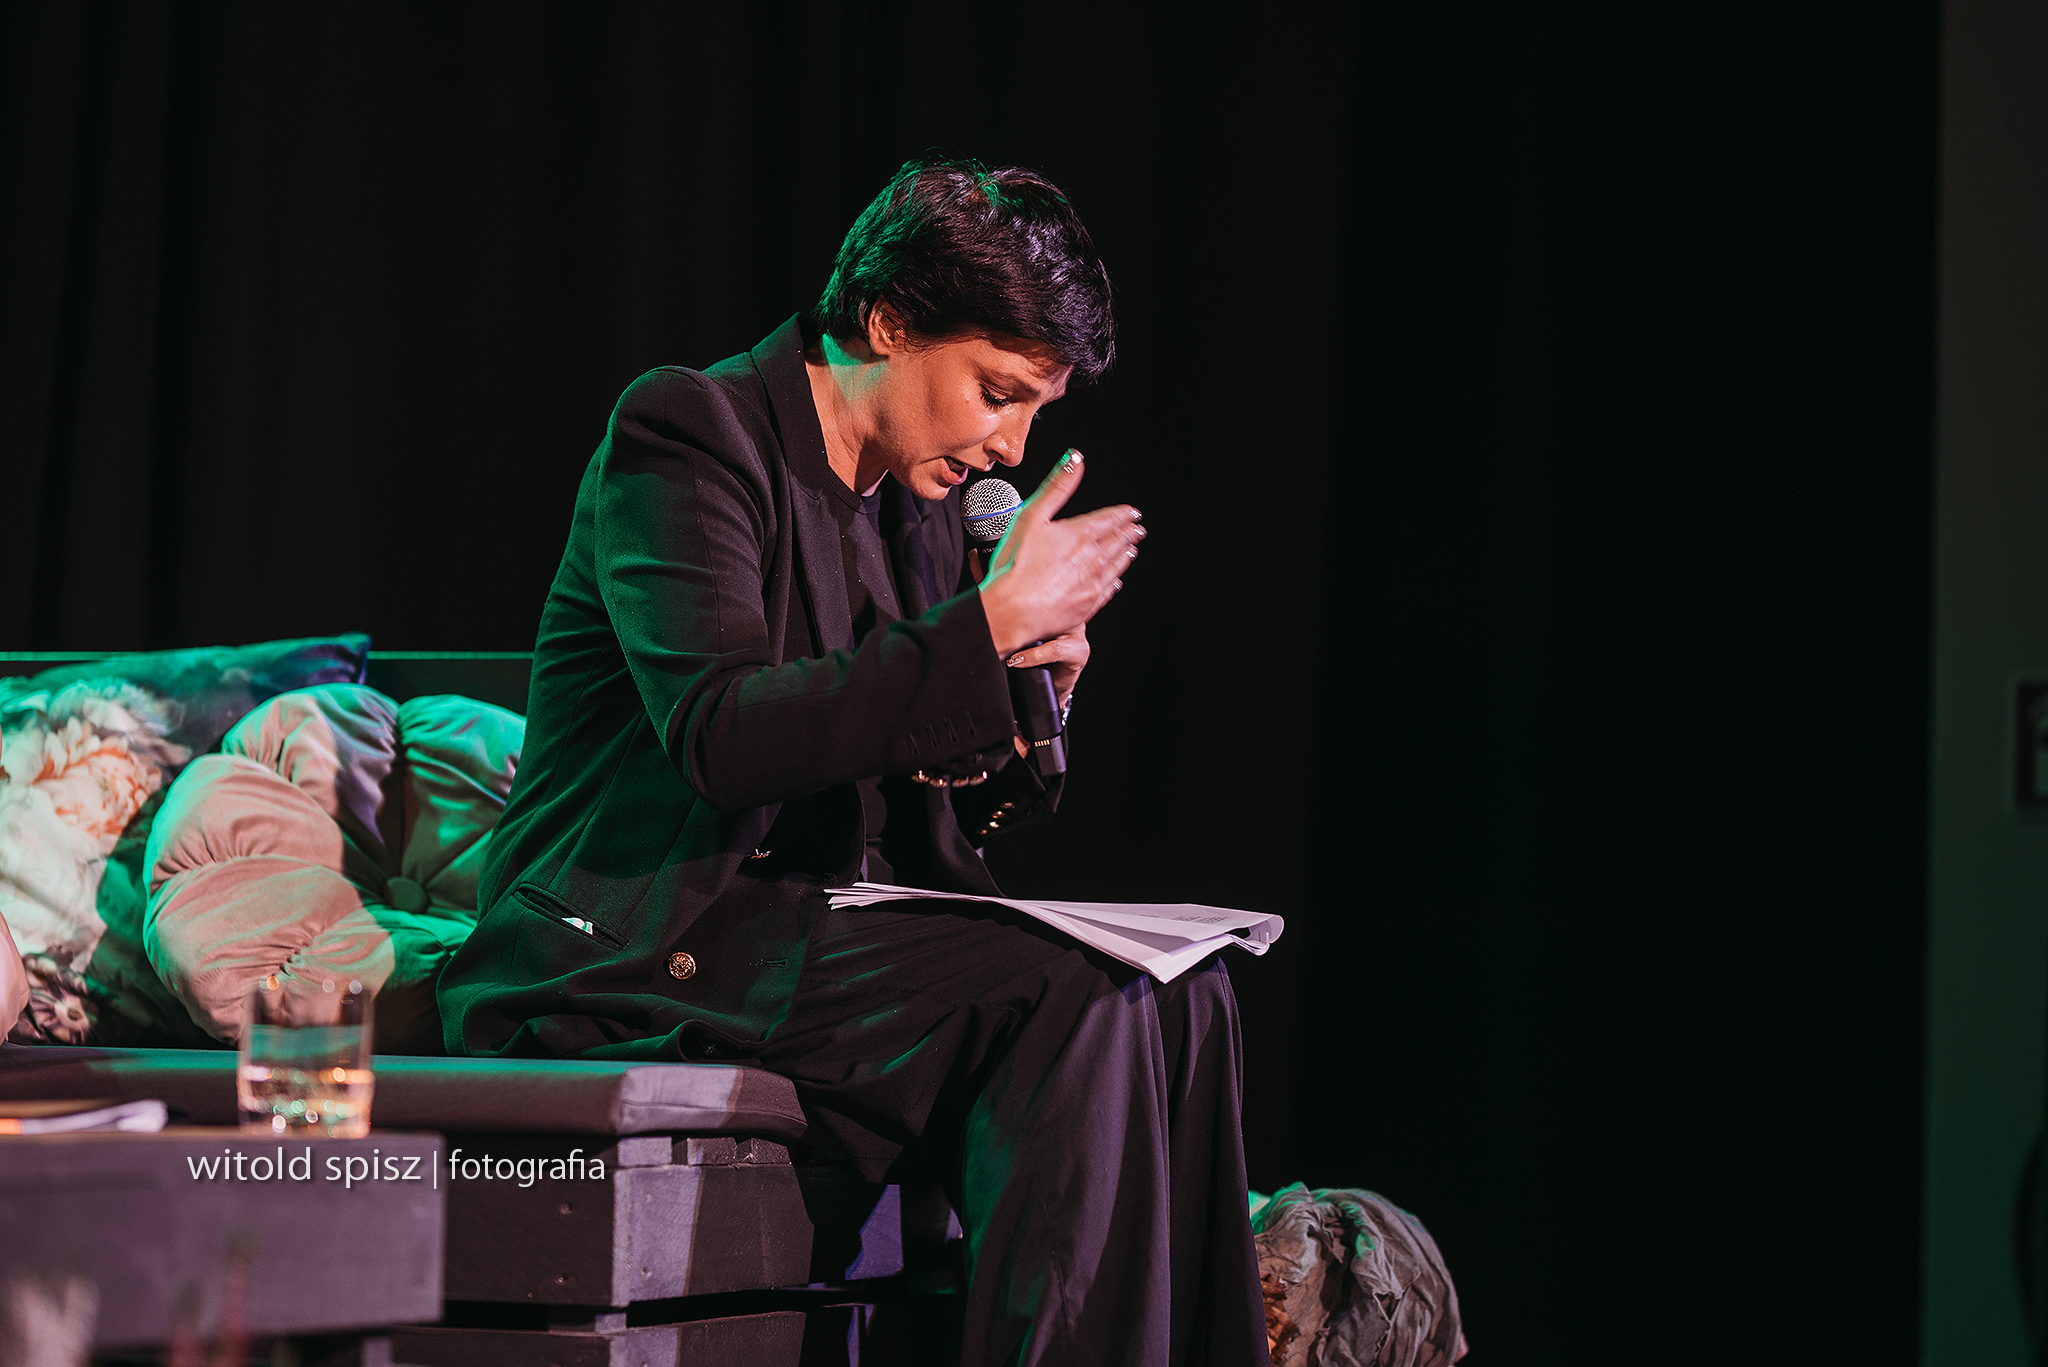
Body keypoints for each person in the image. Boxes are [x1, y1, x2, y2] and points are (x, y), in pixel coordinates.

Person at [437, 157, 1269, 1366]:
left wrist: (1031, 690)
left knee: (1187, 992)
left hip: (821, 939)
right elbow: (723, 731)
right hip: (643, 942)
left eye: (1031, 410)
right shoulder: (691, 432)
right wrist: (977, 636)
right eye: (995, 392)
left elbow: (924, 779)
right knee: (1073, 993)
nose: (1008, 445)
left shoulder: (914, 503)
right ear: (886, 322)